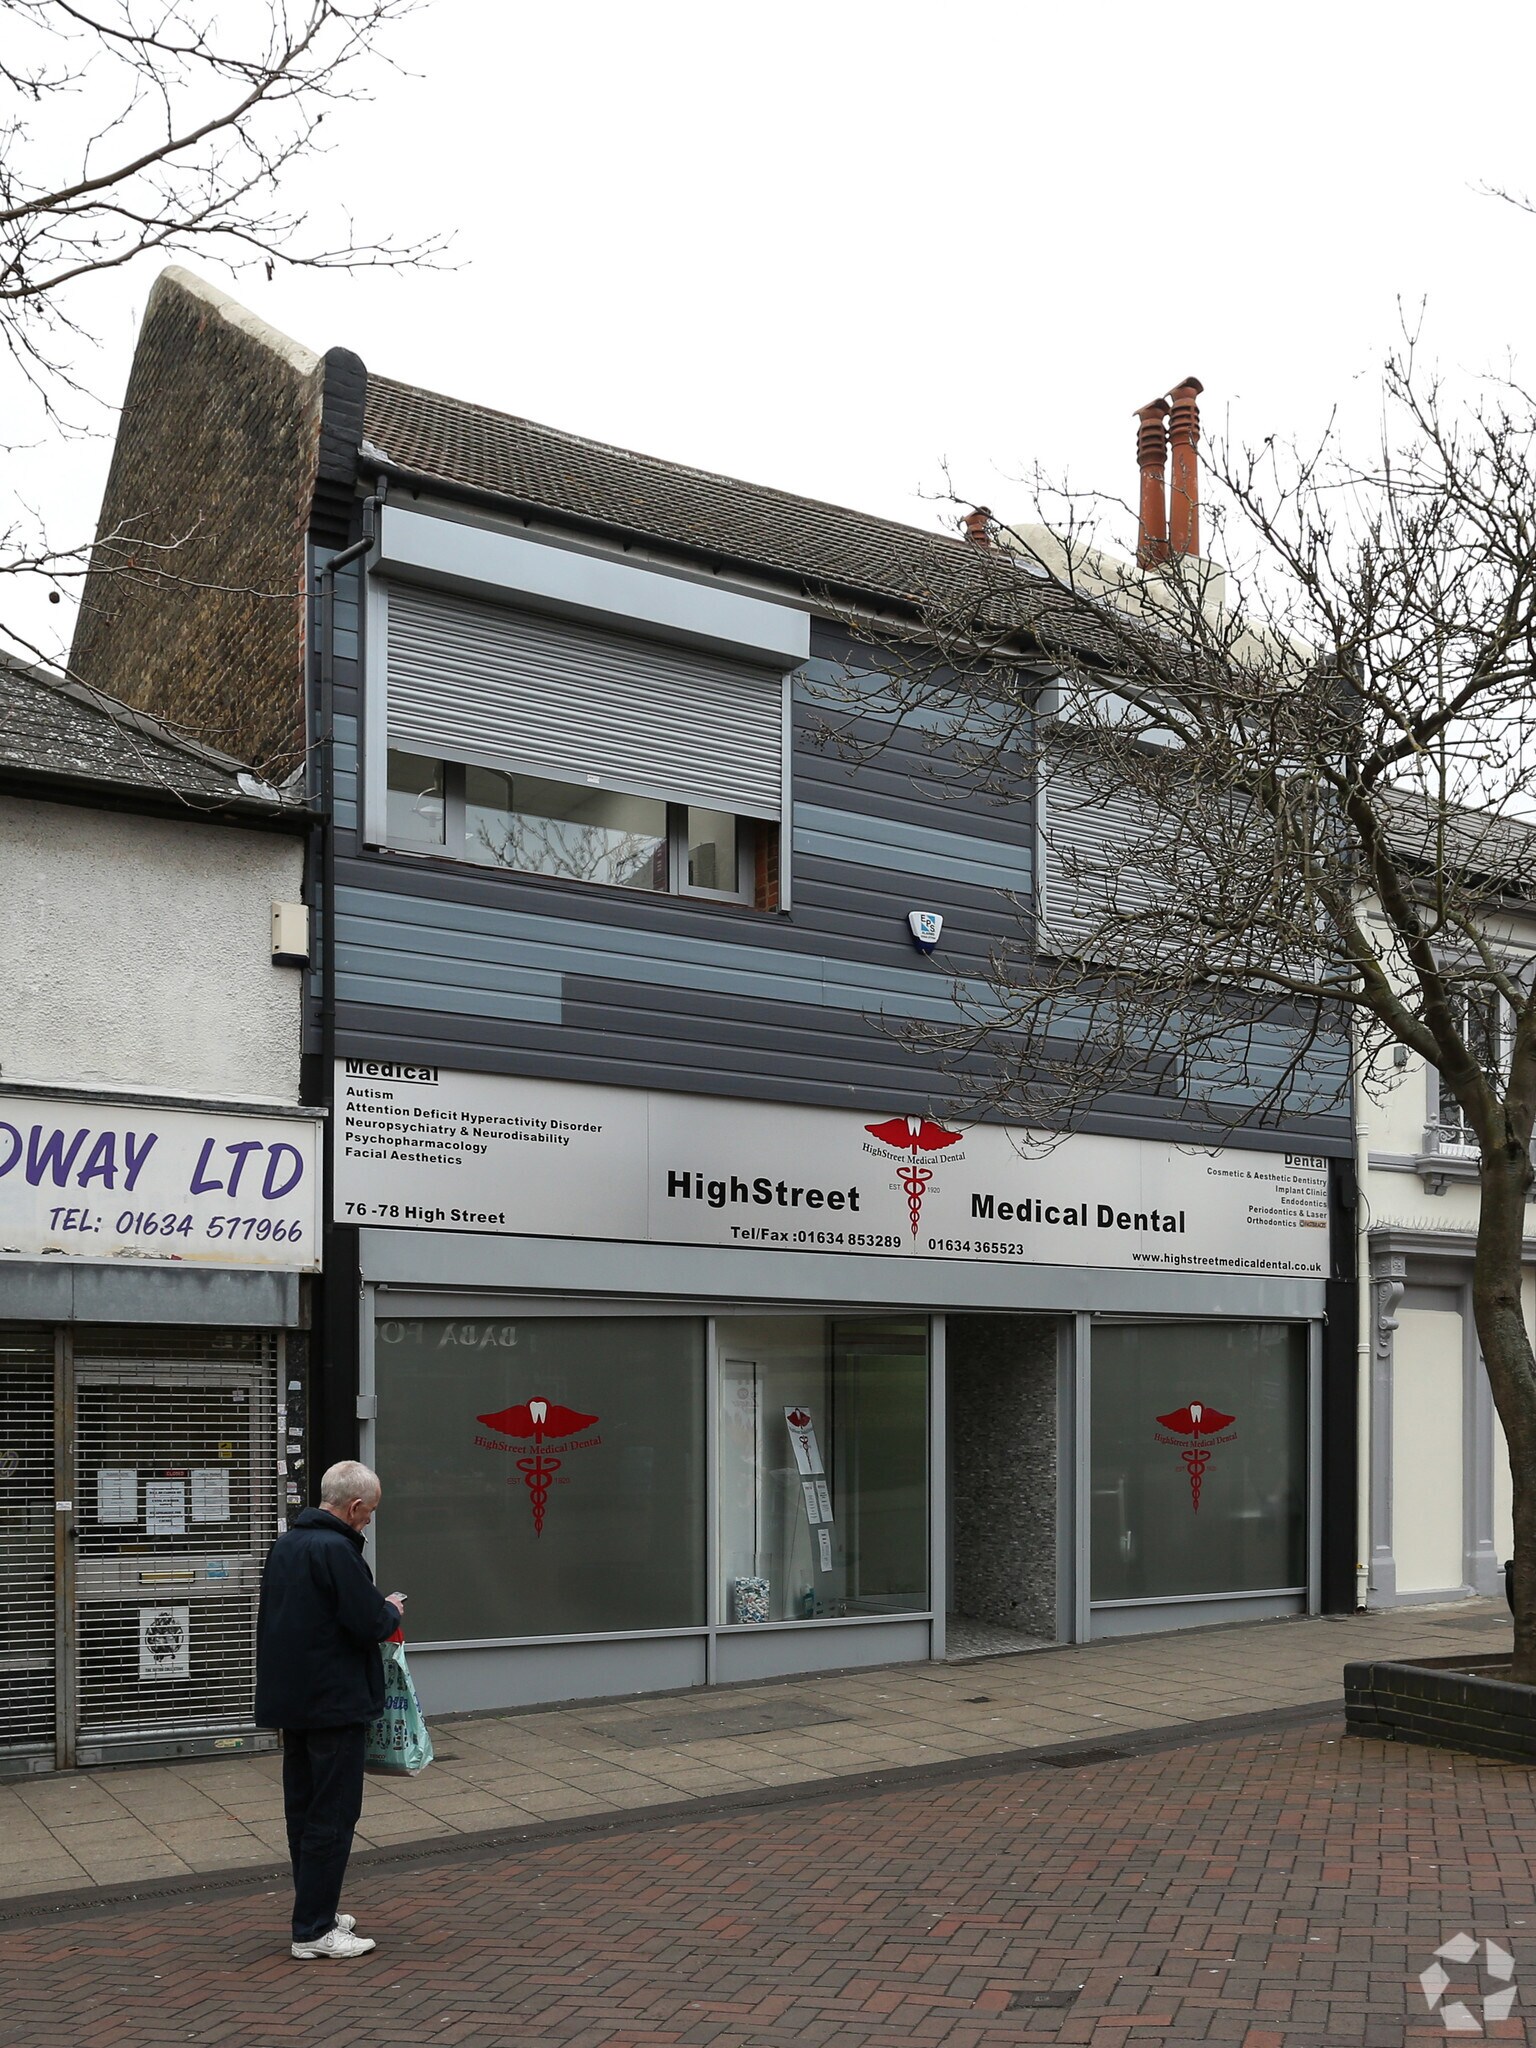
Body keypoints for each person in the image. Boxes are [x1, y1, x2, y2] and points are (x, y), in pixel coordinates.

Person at [255, 1459, 406, 1960]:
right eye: (370, 1513)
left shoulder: (287, 1545)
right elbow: (366, 1622)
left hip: (294, 1701)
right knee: (334, 1814)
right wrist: (390, 1610)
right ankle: (315, 1929)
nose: (369, 1522)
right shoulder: (337, 1550)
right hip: (334, 1702)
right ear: (355, 1506)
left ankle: (315, 1909)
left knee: (303, 1811)